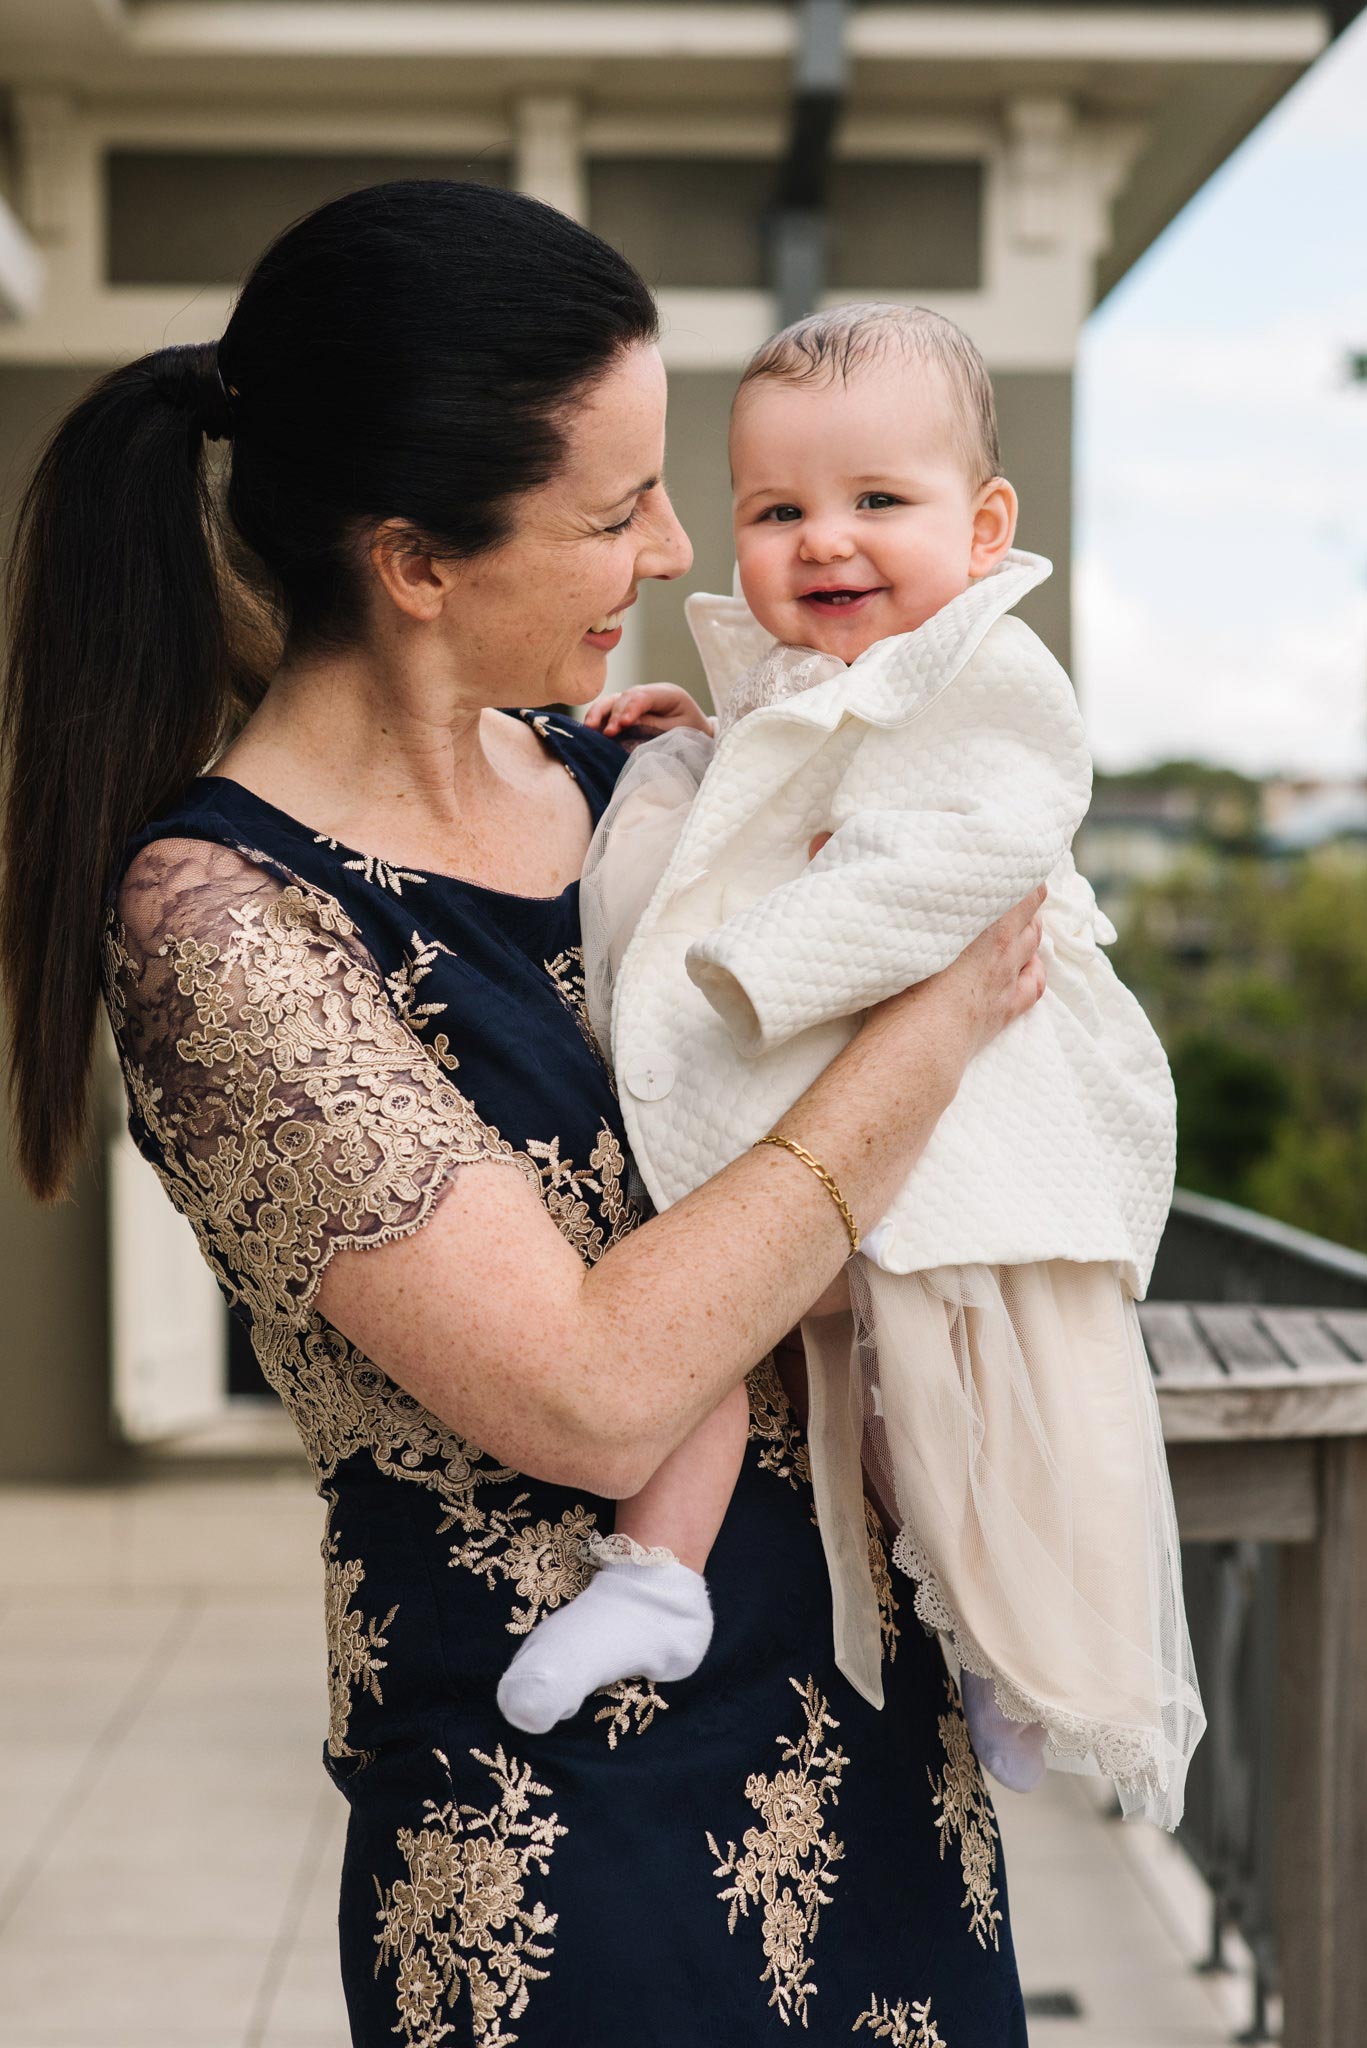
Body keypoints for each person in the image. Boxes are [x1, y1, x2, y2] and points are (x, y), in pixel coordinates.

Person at [0, 190, 1046, 2043]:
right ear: (413, 559)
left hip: (882, 1753)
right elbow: (584, 1388)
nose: (665, 548)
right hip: (565, 1834)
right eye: (608, 511)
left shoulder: (631, 772)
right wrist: (939, 1023)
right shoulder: (225, 927)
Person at [503, 304, 1203, 1830]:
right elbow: (782, 768)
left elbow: (983, 847)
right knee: (703, 1281)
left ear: (984, 522)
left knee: (978, 1369)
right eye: (779, 510)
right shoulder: (798, 670)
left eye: (879, 501)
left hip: (979, 1062)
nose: (826, 541)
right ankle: (660, 1571)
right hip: (838, 1062)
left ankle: (1017, 1644)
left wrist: (783, 941)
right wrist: (696, 739)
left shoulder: (990, 674)